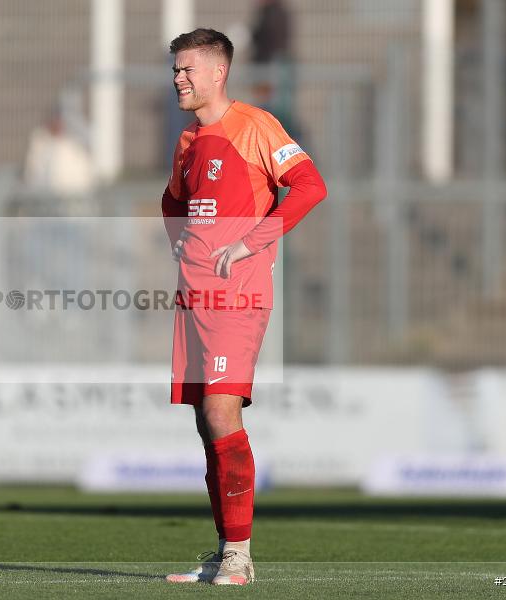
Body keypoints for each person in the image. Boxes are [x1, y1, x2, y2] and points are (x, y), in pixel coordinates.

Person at [161, 29, 326, 585]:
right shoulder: (187, 141)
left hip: (239, 297)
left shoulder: (256, 126)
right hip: (194, 298)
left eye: (187, 69)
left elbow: (309, 186)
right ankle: (223, 551)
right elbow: (172, 203)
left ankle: (240, 557)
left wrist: (250, 241)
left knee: (220, 414)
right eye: (175, 69)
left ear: (217, 73)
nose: (178, 79)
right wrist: (178, 239)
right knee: (206, 426)